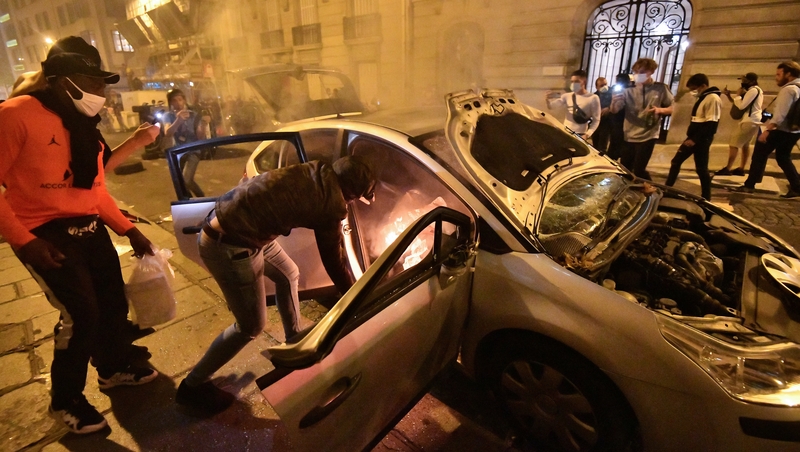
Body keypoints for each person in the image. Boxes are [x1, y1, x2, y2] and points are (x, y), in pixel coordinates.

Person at [0, 36, 160, 435]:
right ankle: (66, 398)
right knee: (80, 314)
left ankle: (112, 369)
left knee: (111, 301)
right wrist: (25, 240)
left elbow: (95, 189)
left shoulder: (83, 123)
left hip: (88, 225)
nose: (103, 93)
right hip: (43, 230)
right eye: (95, 83)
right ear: (63, 81)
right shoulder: (15, 114)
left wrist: (126, 229)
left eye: (104, 84)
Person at [175, 156, 376, 414]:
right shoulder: (331, 203)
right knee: (250, 326)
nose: (350, 204)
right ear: (349, 193)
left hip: (243, 226)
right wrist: (355, 296)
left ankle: (293, 340)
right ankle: (192, 387)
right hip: (231, 244)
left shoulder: (318, 168)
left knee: (288, 273)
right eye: (354, 199)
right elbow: (334, 261)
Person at [730, 61, 800, 197]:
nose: (776, 77)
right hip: (794, 131)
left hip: (779, 130)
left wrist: (768, 129)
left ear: (789, 74)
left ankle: (749, 185)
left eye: (779, 74)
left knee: (759, 155)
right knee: (783, 157)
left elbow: (780, 114)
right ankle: (797, 186)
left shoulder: (789, 89)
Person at [610, 58, 674, 180]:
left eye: (643, 72)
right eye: (636, 71)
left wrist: (661, 110)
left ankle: (649, 191)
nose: (638, 75)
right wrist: (614, 102)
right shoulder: (628, 89)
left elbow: (674, 107)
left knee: (639, 169)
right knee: (625, 169)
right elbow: (615, 110)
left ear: (651, 72)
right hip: (629, 134)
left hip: (649, 135)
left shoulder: (661, 88)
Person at [665, 74, 721, 200]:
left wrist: (695, 139)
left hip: (700, 139)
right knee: (677, 161)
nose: (693, 92)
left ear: (703, 86)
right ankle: (668, 189)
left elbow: (711, 123)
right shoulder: (704, 97)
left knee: (701, 168)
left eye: (695, 89)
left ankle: (706, 196)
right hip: (694, 137)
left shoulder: (712, 98)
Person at [716, 72, 763, 176]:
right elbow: (740, 104)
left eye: (745, 80)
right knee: (745, 145)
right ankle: (741, 169)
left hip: (749, 121)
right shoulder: (754, 91)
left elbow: (741, 106)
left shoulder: (753, 90)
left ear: (751, 81)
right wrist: (729, 96)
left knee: (733, 144)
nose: (742, 82)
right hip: (752, 121)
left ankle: (727, 168)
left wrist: (738, 95)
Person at [163, 89, 205, 197]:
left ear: (184, 101)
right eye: (174, 100)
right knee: (180, 183)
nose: (178, 103)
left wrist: (203, 124)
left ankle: (203, 199)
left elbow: (200, 136)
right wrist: (178, 120)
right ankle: (190, 203)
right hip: (179, 152)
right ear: (171, 103)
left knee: (187, 180)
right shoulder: (168, 116)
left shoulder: (194, 115)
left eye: (180, 100)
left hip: (193, 150)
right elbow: (168, 132)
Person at [545, 69, 602, 141]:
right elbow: (551, 106)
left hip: (581, 134)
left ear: (584, 82)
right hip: (565, 132)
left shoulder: (593, 98)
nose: (574, 84)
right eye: (572, 81)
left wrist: (587, 134)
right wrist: (547, 100)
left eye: (577, 81)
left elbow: (596, 120)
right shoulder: (567, 96)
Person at [607, 73, 632, 160]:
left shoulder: (631, 91)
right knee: (614, 143)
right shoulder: (614, 90)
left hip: (627, 121)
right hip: (615, 121)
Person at [592, 77, 613, 152]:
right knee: (595, 144)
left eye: (605, 84)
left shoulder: (613, 93)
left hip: (607, 122)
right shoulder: (594, 96)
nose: (604, 87)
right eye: (601, 85)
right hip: (597, 122)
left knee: (603, 145)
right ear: (597, 87)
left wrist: (609, 108)